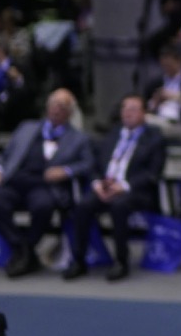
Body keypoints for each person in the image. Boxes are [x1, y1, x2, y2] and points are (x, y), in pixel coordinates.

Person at [0, 89, 95, 278]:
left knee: (43, 207)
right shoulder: (26, 127)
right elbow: (4, 155)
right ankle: (23, 248)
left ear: (70, 113)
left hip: (45, 185)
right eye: (54, 104)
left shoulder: (79, 138)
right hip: (15, 180)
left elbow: (89, 164)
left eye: (62, 106)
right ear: (47, 106)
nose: (56, 110)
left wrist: (66, 171)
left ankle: (24, 252)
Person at [67, 96, 164, 282]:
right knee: (83, 206)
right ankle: (78, 260)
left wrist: (124, 186)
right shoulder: (112, 134)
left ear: (144, 114)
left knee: (119, 207)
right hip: (106, 186)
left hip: (135, 190)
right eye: (125, 108)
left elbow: (153, 173)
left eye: (134, 109)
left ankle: (121, 261)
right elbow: (94, 164)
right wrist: (97, 184)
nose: (128, 112)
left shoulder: (154, 138)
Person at [143, 46, 181, 137]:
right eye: (164, 65)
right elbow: (147, 108)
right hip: (157, 118)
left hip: (178, 124)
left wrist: (178, 99)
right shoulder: (155, 84)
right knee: (141, 120)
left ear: (179, 62)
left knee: (149, 126)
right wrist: (155, 102)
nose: (167, 68)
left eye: (170, 65)